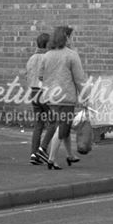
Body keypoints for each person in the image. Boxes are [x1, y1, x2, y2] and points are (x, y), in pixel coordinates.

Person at [36, 25, 87, 170]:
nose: (72, 39)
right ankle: (51, 159)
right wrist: (85, 96)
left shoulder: (47, 55)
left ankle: (70, 155)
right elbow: (79, 79)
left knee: (63, 126)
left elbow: (40, 75)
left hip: (51, 97)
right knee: (63, 128)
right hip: (66, 97)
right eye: (71, 36)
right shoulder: (71, 55)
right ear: (66, 37)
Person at [26, 32, 52, 165]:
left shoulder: (31, 58)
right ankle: (44, 149)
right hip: (44, 92)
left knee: (38, 125)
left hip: (33, 92)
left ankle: (33, 153)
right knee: (54, 122)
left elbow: (28, 75)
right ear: (48, 44)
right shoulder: (48, 58)